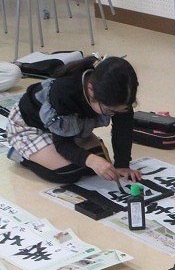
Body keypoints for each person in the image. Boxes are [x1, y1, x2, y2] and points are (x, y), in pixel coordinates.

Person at [6, 55, 142, 184]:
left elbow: (123, 129)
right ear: (91, 90)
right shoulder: (64, 93)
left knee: (99, 165)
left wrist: (122, 165)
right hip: (29, 127)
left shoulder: (121, 96)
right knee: (69, 172)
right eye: (109, 111)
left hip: (67, 128)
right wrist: (90, 160)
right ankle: (22, 156)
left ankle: (45, 154)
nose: (114, 114)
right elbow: (62, 144)